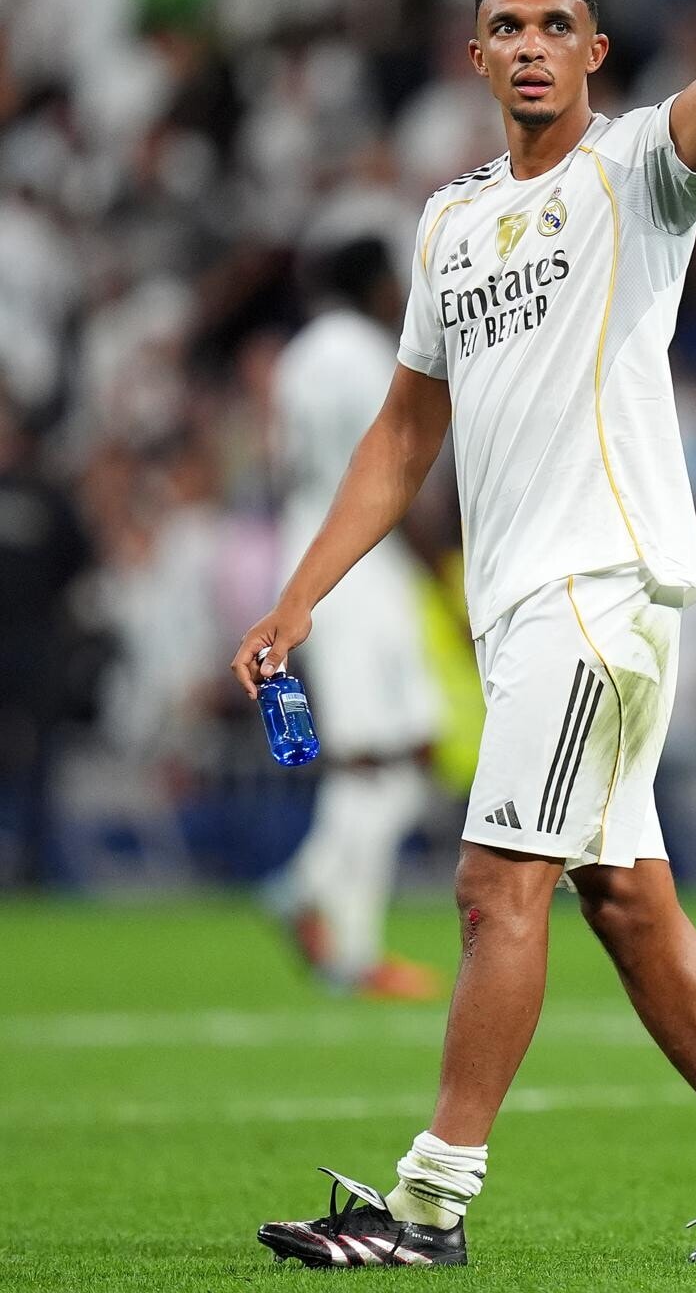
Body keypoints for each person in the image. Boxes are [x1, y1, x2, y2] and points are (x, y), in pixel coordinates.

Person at [232, 0, 696, 1267]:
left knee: (489, 881)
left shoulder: (639, 170)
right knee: (622, 901)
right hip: (514, 603)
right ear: (473, 55)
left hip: (599, 584)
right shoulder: (449, 222)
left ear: (592, 54)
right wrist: (298, 596)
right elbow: (402, 435)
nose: (527, 45)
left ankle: (426, 1207)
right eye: (504, 26)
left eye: (554, 27)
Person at [265, 235, 443, 1000]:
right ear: (374, 284)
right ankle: (351, 944)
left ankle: (310, 891)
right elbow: (396, 465)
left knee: (397, 755)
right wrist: (443, 568)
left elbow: (281, 470)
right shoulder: (369, 354)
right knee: (380, 757)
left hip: (315, 558)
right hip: (362, 564)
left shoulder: (295, 359)